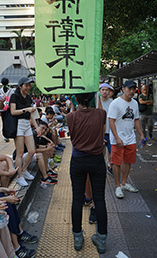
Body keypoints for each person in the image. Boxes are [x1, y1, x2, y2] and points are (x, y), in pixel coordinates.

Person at [67, 93, 107, 254]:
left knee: (77, 198)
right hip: (97, 161)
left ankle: (77, 237)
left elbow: (73, 135)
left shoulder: (71, 117)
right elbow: (101, 122)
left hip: (78, 161)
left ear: (76, 100)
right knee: (100, 200)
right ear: (93, 99)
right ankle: (102, 240)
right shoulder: (101, 113)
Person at [108, 80, 145, 199]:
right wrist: (117, 137)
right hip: (117, 139)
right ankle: (117, 186)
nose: (132, 91)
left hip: (130, 138)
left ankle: (124, 183)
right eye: (129, 89)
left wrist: (141, 134)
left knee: (128, 161)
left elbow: (136, 120)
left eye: (134, 89)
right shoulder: (115, 103)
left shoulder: (134, 103)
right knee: (116, 162)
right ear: (123, 89)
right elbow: (111, 121)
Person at [10, 76, 41, 187]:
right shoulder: (14, 96)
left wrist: (36, 127)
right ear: (20, 86)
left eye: (29, 85)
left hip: (27, 124)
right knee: (20, 152)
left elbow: (31, 114)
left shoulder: (28, 97)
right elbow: (13, 112)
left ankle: (23, 170)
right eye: (26, 85)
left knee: (32, 150)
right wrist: (25, 109)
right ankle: (19, 177)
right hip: (18, 124)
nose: (28, 87)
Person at [99, 83, 113, 176]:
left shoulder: (113, 102)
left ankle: (111, 168)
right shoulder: (96, 102)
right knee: (100, 153)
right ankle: (100, 169)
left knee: (112, 153)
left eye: (107, 90)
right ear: (99, 91)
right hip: (99, 133)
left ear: (109, 92)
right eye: (103, 89)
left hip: (110, 132)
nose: (105, 91)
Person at [0, 77, 15, 142]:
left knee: (3, 122)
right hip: (9, 108)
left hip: (2, 108)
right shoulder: (11, 90)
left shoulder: (0, 91)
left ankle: (5, 136)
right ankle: (9, 134)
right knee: (9, 122)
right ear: (8, 83)